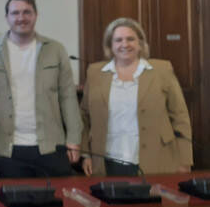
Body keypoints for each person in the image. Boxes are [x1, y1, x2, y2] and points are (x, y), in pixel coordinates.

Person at [0, 0, 82, 178]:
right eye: (15, 13)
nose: (21, 18)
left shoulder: (56, 50)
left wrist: (74, 140)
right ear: (7, 18)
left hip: (50, 146)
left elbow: (68, 97)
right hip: (6, 149)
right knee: (14, 204)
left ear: (36, 15)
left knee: (55, 204)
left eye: (27, 12)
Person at [81, 17, 193, 176]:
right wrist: (85, 154)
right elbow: (84, 117)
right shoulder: (94, 73)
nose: (124, 44)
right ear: (110, 45)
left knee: (152, 201)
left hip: (157, 160)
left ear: (140, 43)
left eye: (130, 39)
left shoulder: (162, 70)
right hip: (107, 161)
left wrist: (184, 160)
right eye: (118, 40)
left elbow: (180, 116)